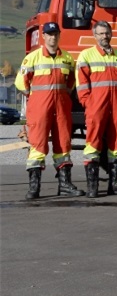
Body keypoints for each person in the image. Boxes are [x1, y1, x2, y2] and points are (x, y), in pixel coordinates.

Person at [16, 22, 83, 198]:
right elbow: (20, 82)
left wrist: (61, 96)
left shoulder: (67, 58)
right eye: (49, 34)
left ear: (59, 36)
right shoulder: (33, 58)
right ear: (44, 36)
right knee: (38, 145)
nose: (53, 37)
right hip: (40, 108)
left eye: (56, 34)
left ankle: (65, 184)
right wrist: (36, 98)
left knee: (63, 144)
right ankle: (34, 187)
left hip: (61, 106)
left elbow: (71, 83)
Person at [75, 20, 117, 196]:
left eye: (107, 33)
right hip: (97, 105)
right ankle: (92, 187)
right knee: (93, 143)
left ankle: (115, 184)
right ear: (95, 36)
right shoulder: (86, 55)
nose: (104, 36)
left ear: (111, 34)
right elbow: (82, 83)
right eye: (101, 33)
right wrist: (88, 103)